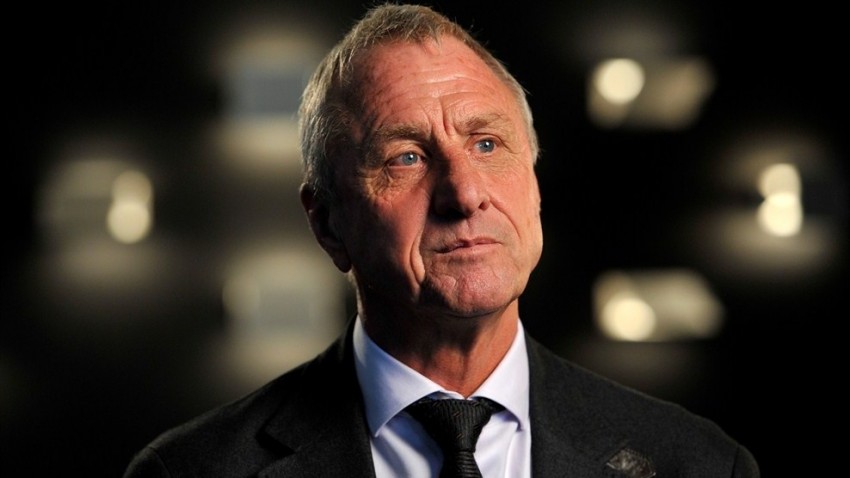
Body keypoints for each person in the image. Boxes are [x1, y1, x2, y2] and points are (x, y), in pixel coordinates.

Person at [123, 4, 759, 477]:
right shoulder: (188, 471)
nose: (465, 193)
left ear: (535, 185)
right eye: (406, 157)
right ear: (327, 223)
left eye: (487, 144)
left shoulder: (701, 464)